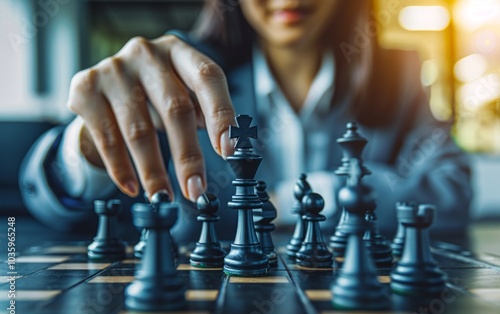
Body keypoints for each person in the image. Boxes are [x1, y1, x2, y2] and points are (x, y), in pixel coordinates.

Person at [20, 0, 472, 242]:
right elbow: (46, 204)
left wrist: (307, 198)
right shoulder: (181, 76)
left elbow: (452, 190)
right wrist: (87, 147)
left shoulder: (400, 74)